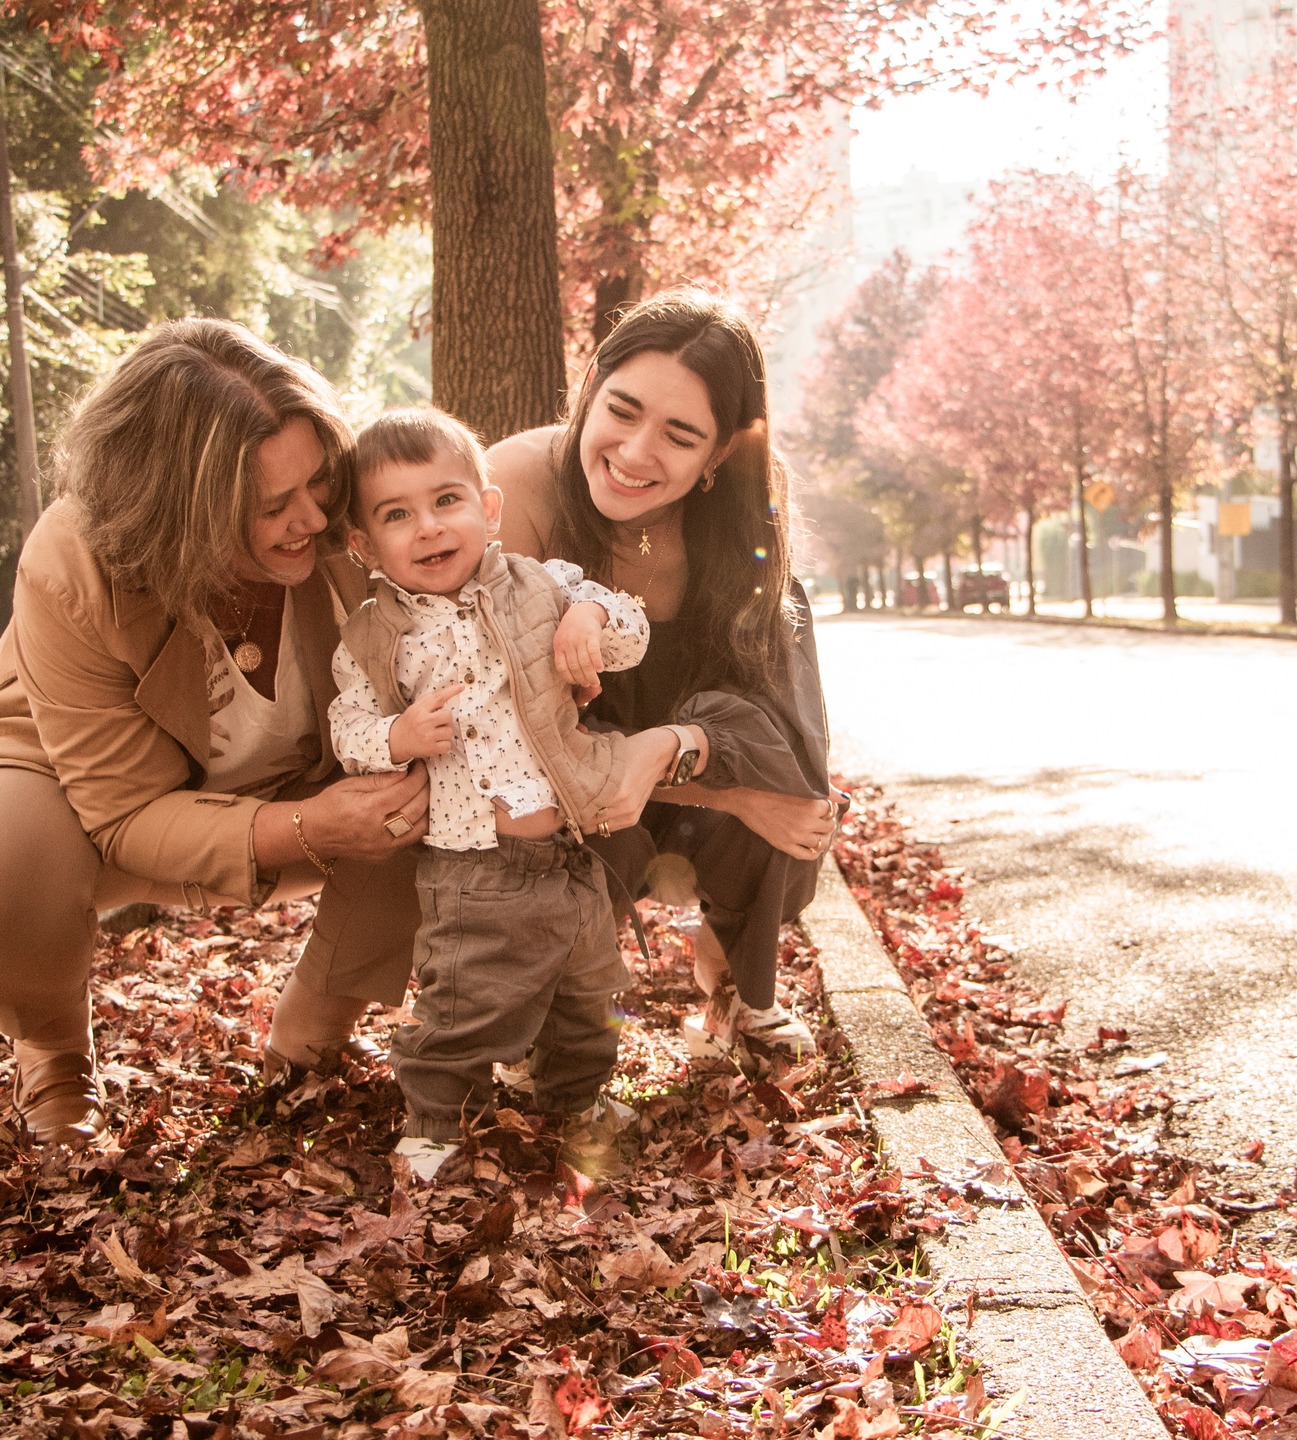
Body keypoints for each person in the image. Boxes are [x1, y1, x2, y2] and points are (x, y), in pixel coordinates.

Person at [0, 319, 440, 1147]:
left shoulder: (358, 510)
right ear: (178, 509)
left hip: (303, 780)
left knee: (433, 779)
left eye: (319, 482)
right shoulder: (72, 563)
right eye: (271, 507)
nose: (312, 517)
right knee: (4, 847)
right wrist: (309, 827)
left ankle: (311, 1036)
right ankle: (52, 1049)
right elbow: (124, 811)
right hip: (87, 806)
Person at [487, 288, 844, 1058]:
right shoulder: (514, 488)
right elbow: (507, 738)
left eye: (680, 436)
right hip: (550, 789)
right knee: (731, 799)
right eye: (621, 409)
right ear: (589, 388)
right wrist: (728, 789)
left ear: (718, 457)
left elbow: (785, 734)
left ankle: (730, 983)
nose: (636, 452)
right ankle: (542, 1012)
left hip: (681, 769)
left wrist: (707, 762)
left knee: (789, 793)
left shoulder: (744, 526)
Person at [329, 409, 651, 1147]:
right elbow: (348, 729)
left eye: (447, 501)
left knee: (589, 997)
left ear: (489, 508)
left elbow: (632, 631)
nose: (430, 528)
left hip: (572, 851)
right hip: (473, 873)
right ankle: (434, 1126)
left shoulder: (542, 585)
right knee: (462, 1011)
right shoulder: (377, 636)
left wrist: (591, 616)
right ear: (363, 543)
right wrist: (395, 736)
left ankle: (574, 1101)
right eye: (397, 515)